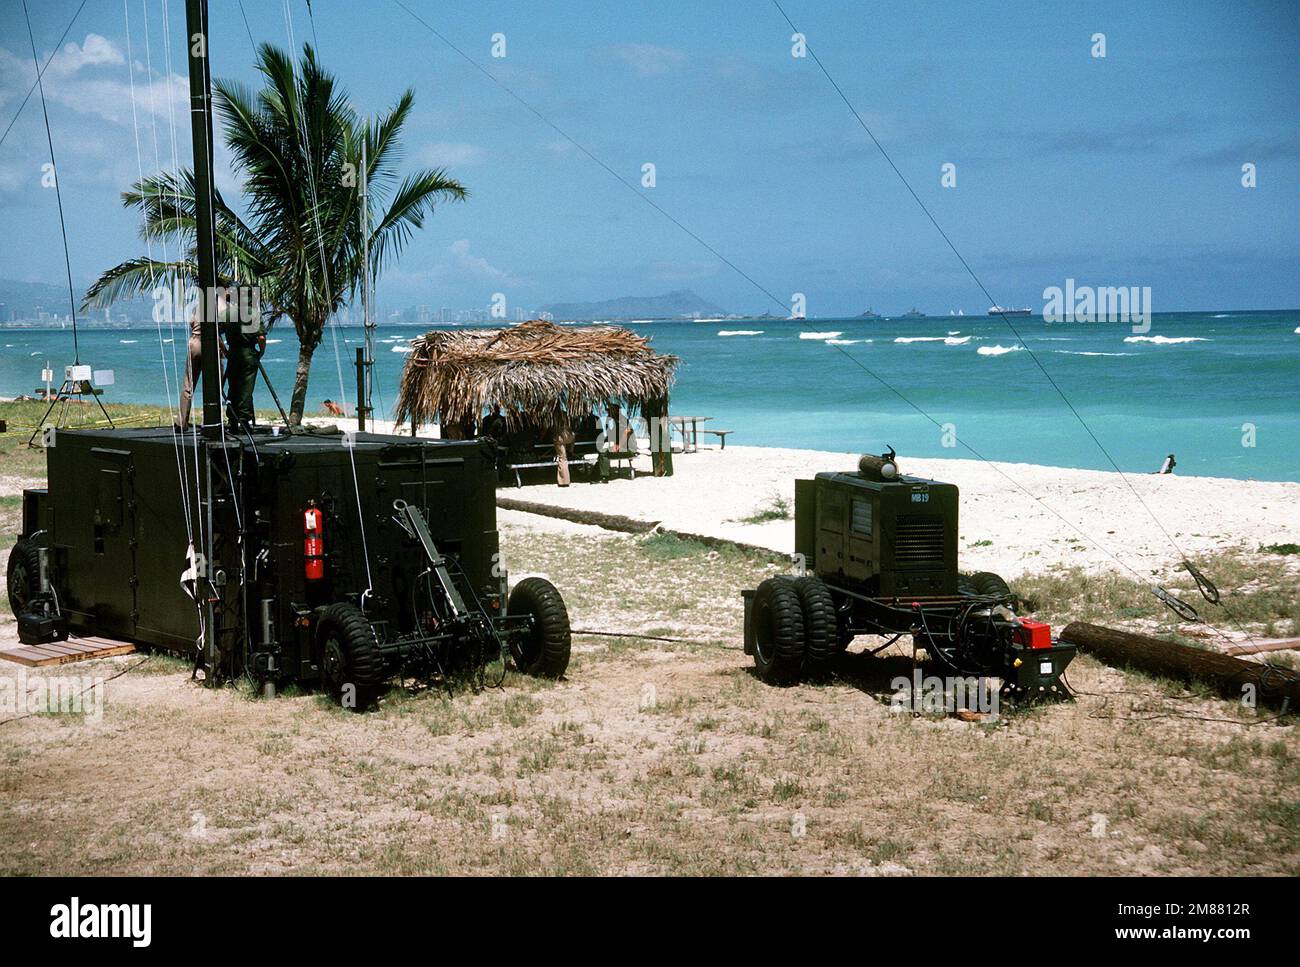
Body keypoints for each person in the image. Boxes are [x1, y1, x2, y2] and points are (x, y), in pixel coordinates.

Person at [219, 286, 264, 429]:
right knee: (246, 388)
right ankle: (244, 420)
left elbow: (216, 334)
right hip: (248, 353)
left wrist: (225, 350)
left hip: (233, 353)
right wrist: (261, 352)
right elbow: (261, 337)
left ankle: (232, 419)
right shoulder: (253, 313)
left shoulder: (226, 313)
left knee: (233, 386)